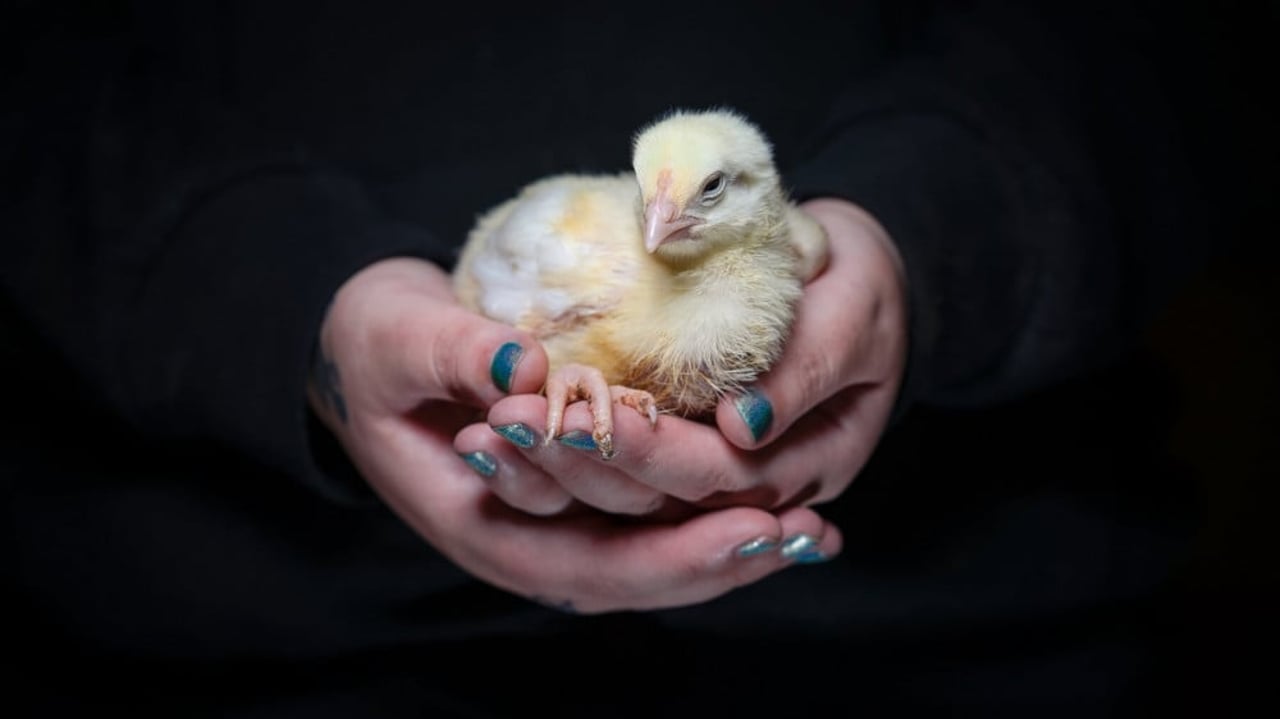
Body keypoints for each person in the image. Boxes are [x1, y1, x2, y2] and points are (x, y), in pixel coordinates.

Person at [3, 0, 1268, 715]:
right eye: (658, 204)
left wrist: (935, 230)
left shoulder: (744, 256)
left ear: (754, 189)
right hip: (253, 637)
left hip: (965, 640)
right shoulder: (597, 253)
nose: (662, 229)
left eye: (700, 202)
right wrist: (275, 296)